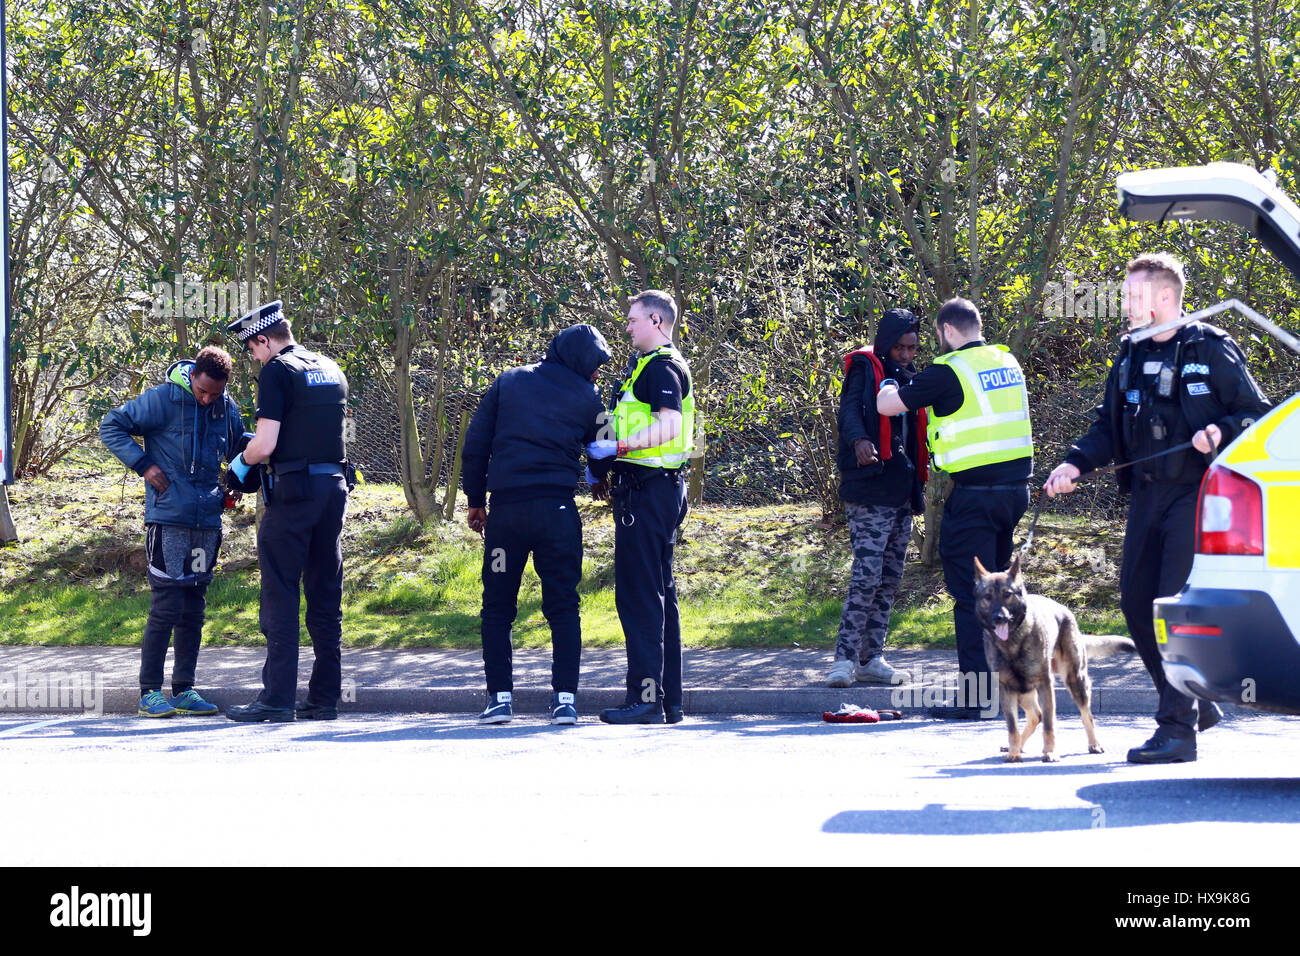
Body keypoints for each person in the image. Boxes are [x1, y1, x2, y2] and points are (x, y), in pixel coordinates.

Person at [1044, 253, 1270, 763]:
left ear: (1165, 298)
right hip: (1146, 496)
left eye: (1132, 296)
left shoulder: (1210, 348)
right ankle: (1190, 699)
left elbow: (1255, 413)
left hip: (1195, 496)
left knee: (1172, 604)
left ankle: (1176, 731)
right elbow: (1107, 425)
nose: (1124, 306)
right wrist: (1074, 464)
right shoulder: (1128, 356)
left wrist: (1220, 432)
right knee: (1136, 602)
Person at [877, 297, 1033, 719]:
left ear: (946, 331)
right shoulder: (1006, 361)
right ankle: (1009, 689)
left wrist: (889, 385)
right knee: (1003, 595)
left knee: (972, 597)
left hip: (976, 496)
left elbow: (888, 407)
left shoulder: (948, 371)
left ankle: (976, 698)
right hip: (1015, 493)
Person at [461, 323, 612, 725]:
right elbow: (603, 450)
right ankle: (565, 701)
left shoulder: (508, 382)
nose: (598, 373)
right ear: (581, 361)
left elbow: (475, 446)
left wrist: (476, 501)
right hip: (557, 516)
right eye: (596, 364)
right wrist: (599, 478)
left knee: (496, 607)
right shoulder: (588, 395)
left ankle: (499, 699)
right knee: (564, 607)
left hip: (506, 516)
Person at [100, 345, 246, 718]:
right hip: (168, 521)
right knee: (167, 605)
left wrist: (239, 476)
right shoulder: (162, 400)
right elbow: (111, 425)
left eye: (215, 393)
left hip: (207, 525)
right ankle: (149, 691)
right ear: (193, 376)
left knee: (194, 605)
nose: (207, 398)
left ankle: (184, 689)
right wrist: (144, 465)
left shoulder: (225, 407)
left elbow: (238, 448)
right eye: (203, 390)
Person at [223, 301, 350, 722]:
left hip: (294, 492)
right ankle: (324, 698)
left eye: (252, 350)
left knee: (280, 592)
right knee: (325, 594)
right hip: (333, 489)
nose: (254, 359)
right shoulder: (329, 367)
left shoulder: (279, 370)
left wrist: (238, 466)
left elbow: (265, 444)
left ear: (264, 339)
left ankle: (276, 699)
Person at [587, 290, 694, 724]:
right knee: (660, 594)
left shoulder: (662, 366)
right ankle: (668, 702)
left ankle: (645, 700)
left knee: (639, 596)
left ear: (655, 320)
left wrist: (618, 447)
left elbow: (669, 425)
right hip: (654, 490)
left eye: (632, 320)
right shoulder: (646, 369)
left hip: (650, 493)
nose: (627, 326)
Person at [827, 308, 928, 688]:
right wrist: (859, 440)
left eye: (912, 348)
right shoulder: (865, 368)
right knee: (866, 576)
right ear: (886, 344)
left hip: (902, 492)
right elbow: (850, 410)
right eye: (899, 347)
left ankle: (872, 658)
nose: (905, 354)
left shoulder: (914, 378)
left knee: (889, 578)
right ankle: (844, 659)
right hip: (869, 489)